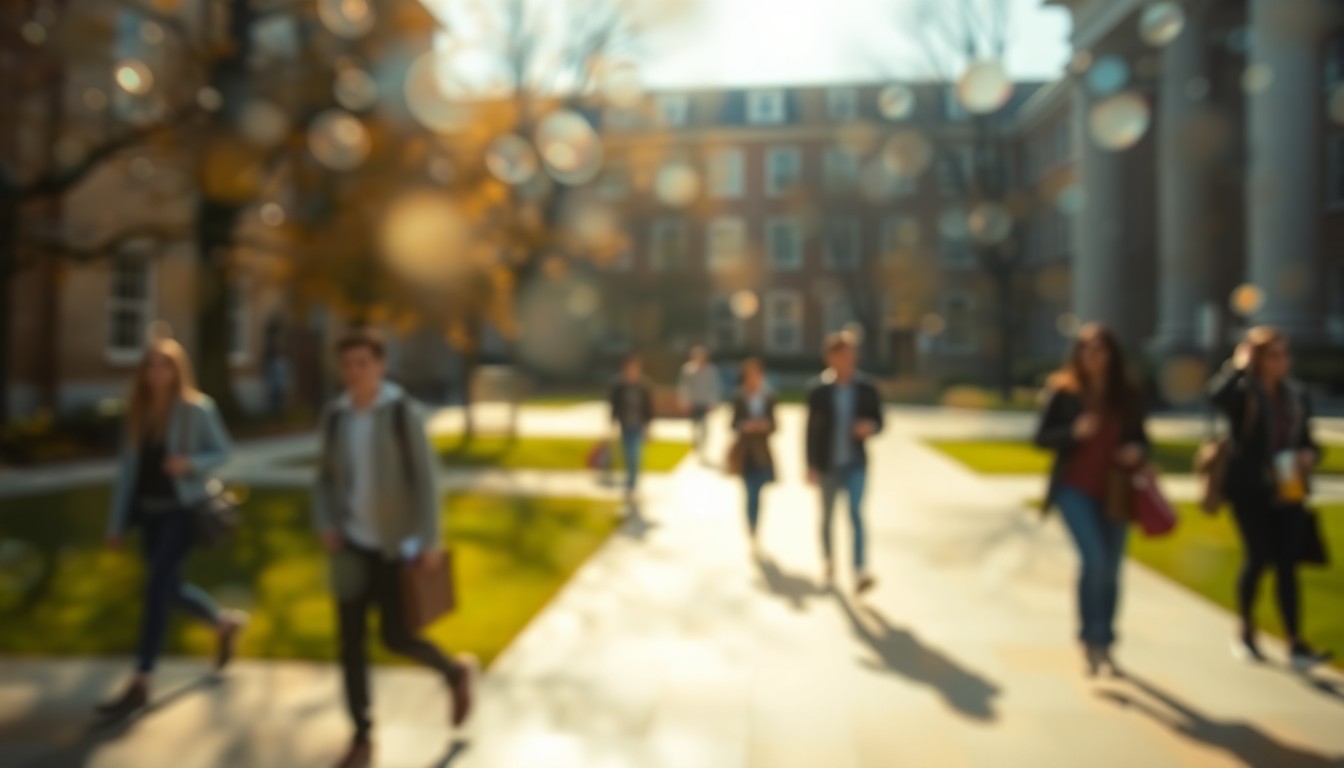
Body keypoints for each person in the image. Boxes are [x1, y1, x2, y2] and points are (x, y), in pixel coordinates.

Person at [315, 329, 475, 768]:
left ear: (380, 366)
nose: (354, 372)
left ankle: (454, 673)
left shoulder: (402, 412)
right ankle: (361, 735)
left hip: (393, 548)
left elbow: (426, 482)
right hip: (349, 547)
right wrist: (326, 522)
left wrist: (431, 542)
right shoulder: (336, 416)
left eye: (363, 363)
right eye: (347, 365)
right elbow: (324, 480)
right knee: (350, 643)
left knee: (397, 636)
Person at [98, 338, 247, 719]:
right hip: (147, 514)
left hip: (182, 512)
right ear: (143, 372)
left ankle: (141, 681)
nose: (158, 372)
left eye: (165, 364)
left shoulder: (197, 409)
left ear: (178, 369)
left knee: (155, 590)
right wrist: (116, 525)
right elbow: (127, 474)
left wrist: (189, 463)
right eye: (151, 365)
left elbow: (224, 452)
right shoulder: (137, 412)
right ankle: (223, 623)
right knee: (169, 588)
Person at [1208, 326, 1332, 671]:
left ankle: (1295, 642)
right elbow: (1217, 396)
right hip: (1250, 488)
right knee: (1258, 557)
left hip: (1289, 486)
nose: (1282, 361)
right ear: (1259, 358)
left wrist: (1310, 454)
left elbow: (1308, 438)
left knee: (1288, 563)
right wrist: (1237, 366)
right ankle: (1246, 629)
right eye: (1274, 354)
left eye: (1285, 354)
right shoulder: (1244, 392)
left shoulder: (1295, 395)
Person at [1033, 323, 1148, 678]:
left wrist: (1136, 451)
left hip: (1115, 490)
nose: (1093, 356)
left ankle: (1106, 642)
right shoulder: (1064, 392)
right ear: (1078, 355)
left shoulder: (1126, 394)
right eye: (1086, 349)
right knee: (1094, 559)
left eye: (1100, 349)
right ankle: (1089, 638)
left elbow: (1142, 439)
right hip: (1074, 488)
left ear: (1112, 355)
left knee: (1112, 569)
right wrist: (1073, 433)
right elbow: (1041, 438)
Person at [805, 331, 883, 594]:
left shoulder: (866, 388)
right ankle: (829, 561)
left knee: (856, 515)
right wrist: (810, 465)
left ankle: (860, 570)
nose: (849, 359)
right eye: (843, 355)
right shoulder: (818, 391)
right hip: (827, 464)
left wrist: (869, 427)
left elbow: (880, 422)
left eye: (852, 354)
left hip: (855, 463)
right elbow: (810, 431)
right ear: (831, 357)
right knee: (827, 516)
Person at [730, 358, 777, 545]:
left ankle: (756, 524)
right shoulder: (739, 398)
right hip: (745, 454)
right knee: (750, 493)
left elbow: (775, 425)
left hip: (762, 453)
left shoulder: (768, 397)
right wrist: (745, 426)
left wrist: (765, 425)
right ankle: (751, 525)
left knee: (758, 492)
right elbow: (733, 423)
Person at [609, 354, 654, 503]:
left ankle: (632, 484)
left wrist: (649, 427)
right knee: (626, 455)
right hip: (624, 425)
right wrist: (611, 424)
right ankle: (630, 481)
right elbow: (614, 406)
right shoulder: (619, 386)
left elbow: (649, 408)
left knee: (635, 454)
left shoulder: (644, 386)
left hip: (638, 426)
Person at [678, 345, 722, 459]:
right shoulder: (688, 370)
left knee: (704, 427)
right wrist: (684, 402)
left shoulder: (711, 370)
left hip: (705, 403)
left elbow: (715, 387)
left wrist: (713, 402)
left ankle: (703, 448)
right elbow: (683, 387)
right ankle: (696, 446)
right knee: (695, 426)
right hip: (693, 403)